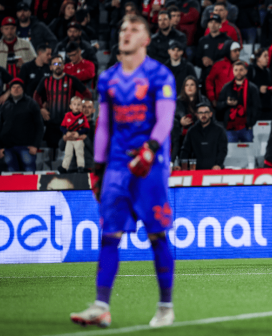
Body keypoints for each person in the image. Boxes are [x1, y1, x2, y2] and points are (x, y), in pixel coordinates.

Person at [70, 14, 177, 328]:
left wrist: (151, 148)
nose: (126, 33)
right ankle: (101, 306)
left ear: (145, 39)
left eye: (134, 29)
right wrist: (98, 169)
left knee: (157, 235)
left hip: (150, 165)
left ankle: (165, 307)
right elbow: (103, 125)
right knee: (109, 236)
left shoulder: (160, 75)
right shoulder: (108, 79)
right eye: (123, 29)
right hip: (117, 166)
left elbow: (165, 118)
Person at [34, 55, 92, 149]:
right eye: (55, 64)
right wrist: (41, 109)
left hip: (70, 124)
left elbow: (87, 94)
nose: (58, 66)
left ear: (64, 65)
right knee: (52, 151)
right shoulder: (46, 80)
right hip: (51, 122)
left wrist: (80, 108)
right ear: (51, 67)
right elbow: (36, 95)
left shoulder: (71, 79)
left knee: (69, 150)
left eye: (60, 63)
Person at [0, 78, 43, 172]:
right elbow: (0, 127)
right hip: (8, 148)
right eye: (13, 87)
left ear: (23, 89)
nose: (16, 89)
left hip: (26, 147)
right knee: (11, 176)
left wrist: (35, 145)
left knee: (29, 173)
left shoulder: (32, 104)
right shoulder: (5, 105)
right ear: (10, 90)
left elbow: (39, 126)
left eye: (18, 87)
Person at [217, 61, 260, 142]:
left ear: (245, 71)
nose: (238, 72)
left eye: (241, 70)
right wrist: (227, 103)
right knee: (231, 154)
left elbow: (256, 107)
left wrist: (251, 123)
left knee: (248, 153)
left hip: (246, 127)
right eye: (236, 70)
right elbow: (219, 105)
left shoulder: (252, 88)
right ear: (233, 71)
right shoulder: (226, 87)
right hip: (230, 127)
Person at [171, 76, 210, 161]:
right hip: (182, 140)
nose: (189, 87)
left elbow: (210, 117)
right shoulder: (177, 102)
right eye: (187, 85)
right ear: (184, 87)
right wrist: (180, 122)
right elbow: (171, 119)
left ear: (196, 87)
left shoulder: (204, 100)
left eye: (192, 85)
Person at [180, 103, 228, 170]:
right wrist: (181, 165)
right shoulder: (192, 131)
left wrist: (218, 164)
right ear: (197, 115)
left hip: (215, 169)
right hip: (195, 170)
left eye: (206, 112)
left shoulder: (219, 130)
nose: (203, 115)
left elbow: (222, 150)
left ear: (210, 114)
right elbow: (185, 150)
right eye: (200, 113)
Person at [193, 14, 231, 85]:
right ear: (208, 25)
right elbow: (197, 60)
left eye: (216, 22)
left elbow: (230, 60)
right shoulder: (202, 40)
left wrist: (213, 63)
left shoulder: (227, 40)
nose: (213, 25)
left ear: (220, 25)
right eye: (211, 22)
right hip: (206, 76)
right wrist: (203, 62)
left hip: (222, 77)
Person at [205, 40, 241, 108]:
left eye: (239, 50)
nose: (238, 53)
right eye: (235, 51)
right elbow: (209, 81)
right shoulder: (218, 65)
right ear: (228, 51)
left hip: (239, 103)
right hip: (221, 103)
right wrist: (212, 98)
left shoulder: (243, 65)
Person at [59, 96, 90, 174]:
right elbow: (62, 126)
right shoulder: (67, 115)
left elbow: (86, 128)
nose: (76, 106)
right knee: (68, 153)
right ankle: (64, 167)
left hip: (79, 139)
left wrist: (78, 133)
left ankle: (80, 167)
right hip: (69, 139)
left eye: (79, 104)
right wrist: (66, 132)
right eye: (74, 104)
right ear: (70, 106)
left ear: (81, 106)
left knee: (79, 153)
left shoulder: (83, 117)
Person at [247, 48, 272, 120]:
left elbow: (269, 87)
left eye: (268, 56)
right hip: (255, 109)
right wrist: (258, 89)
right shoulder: (251, 70)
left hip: (267, 109)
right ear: (258, 58)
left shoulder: (267, 71)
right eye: (265, 56)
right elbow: (246, 87)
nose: (268, 58)